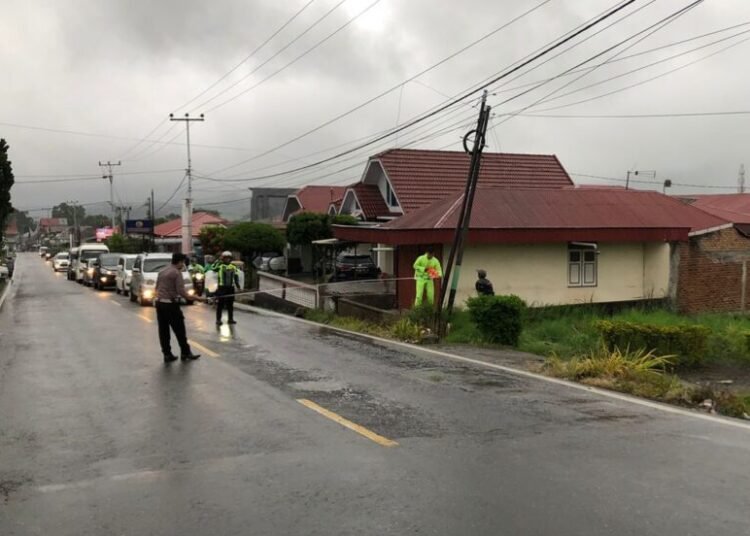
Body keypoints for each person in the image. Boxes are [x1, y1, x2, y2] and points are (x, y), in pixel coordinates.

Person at [154, 253, 203, 364]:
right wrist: (197, 298)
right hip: (171, 305)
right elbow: (182, 292)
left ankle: (167, 354)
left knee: (163, 331)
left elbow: (156, 288)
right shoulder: (176, 273)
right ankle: (185, 352)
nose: (183, 264)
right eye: (183, 262)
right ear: (180, 262)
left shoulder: (162, 271)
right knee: (179, 330)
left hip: (160, 304)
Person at [215, 250, 240, 326]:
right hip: (222, 288)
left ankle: (230, 319)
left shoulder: (234, 267)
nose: (227, 260)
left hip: (230, 288)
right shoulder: (219, 266)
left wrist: (238, 286)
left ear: (230, 259)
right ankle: (218, 319)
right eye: (225, 258)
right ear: (223, 259)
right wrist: (218, 260)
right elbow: (213, 268)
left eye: (228, 258)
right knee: (220, 304)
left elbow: (236, 277)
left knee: (230, 304)